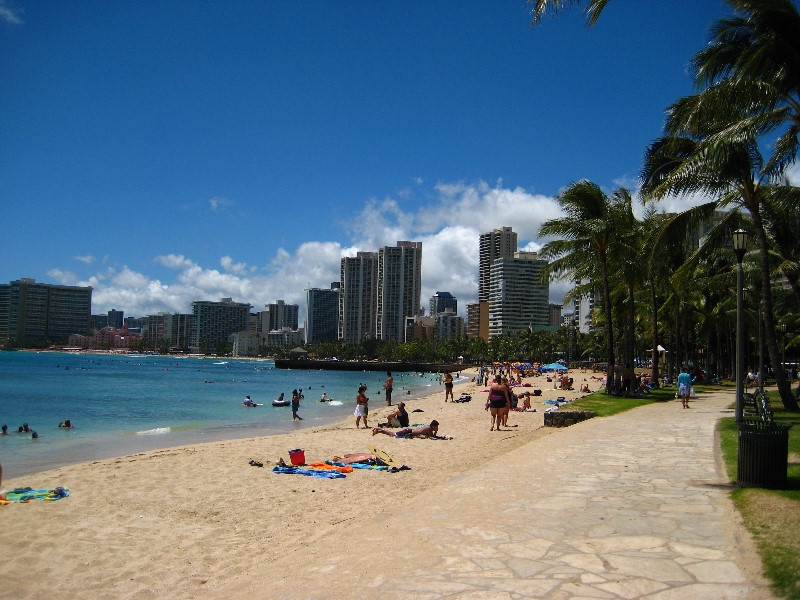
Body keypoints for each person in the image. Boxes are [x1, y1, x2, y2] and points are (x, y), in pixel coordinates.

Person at [372, 420, 439, 438]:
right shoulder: (429, 429)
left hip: (409, 431)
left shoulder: (428, 427)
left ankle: (378, 431)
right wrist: (436, 432)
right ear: (433, 426)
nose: (437, 428)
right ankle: (378, 428)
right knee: (392, 434)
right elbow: (432, 437)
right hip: (408, 432)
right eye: (436, 427)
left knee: (392, 434)